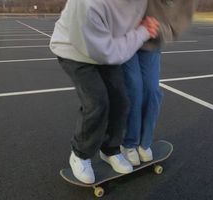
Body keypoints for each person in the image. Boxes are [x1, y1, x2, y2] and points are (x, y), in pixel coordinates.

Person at [50, 0, 160, 184]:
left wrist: (144, 26)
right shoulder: (88, 5)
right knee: (97, 102)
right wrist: (142, 32)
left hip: (105, 47)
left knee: (121, 101)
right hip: (74, 51)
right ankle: (80, 154)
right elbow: (108, 52)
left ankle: (110, 150)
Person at [121, 0, 198, 166]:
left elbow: (176, 26)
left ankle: (144, 143)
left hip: (151, 41)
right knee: (134, 89)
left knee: (152, 91)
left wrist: (154, 28)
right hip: (126, 37)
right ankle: (128, 143)